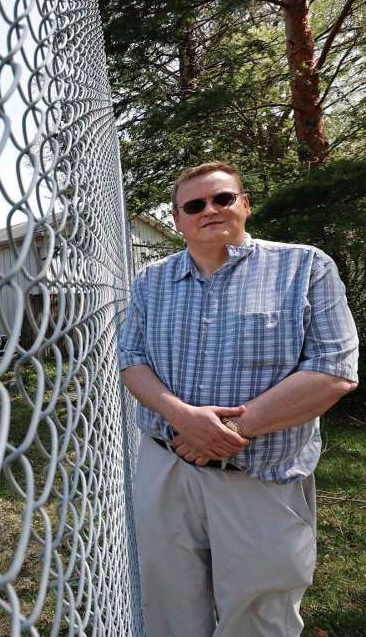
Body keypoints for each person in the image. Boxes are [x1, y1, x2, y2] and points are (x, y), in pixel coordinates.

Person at [118, 162, 359, 636]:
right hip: (167, 468)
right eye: (194, 205)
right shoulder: (151, 280)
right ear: (177, 219)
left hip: (260, 474)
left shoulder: (304, 266)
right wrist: (181, 416)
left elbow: (333, 371)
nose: (210, 210)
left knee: (259, 615)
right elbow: (132, 361)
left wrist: (231, 430)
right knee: (168, 606)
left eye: (222, 198)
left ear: (244, 205)